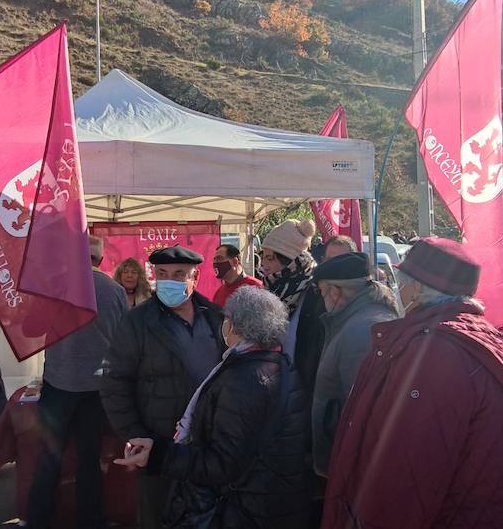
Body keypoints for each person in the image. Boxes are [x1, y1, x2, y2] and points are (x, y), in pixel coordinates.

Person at [321, 238, 503, 528]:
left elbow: (412, 472)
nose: (397, 289)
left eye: (401, 281)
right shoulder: (486, 339)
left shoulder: (433, 353)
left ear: (416, 288)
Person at [114, 287, 311, 528]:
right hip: (273, 501)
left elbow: (221, 465)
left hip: (246, 509)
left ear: (236, 325)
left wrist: (158, 455)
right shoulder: (280, 364)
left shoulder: (244, 380)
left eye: (226, 318)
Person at [101, 246, 226, 529]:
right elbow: (114, 383)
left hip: (208, 447)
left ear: (195, 277)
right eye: (163, 274)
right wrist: (136, 435)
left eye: (179, 274)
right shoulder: (137, 322)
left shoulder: (216, 318)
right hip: (159, 446)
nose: (170, 280)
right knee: (159, 517)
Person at [26, 236, 125, 529]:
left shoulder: (54, 289)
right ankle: (90, 520)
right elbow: (125, 340)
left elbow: (29, 328)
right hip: (97, 388)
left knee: (48, 457)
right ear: (100, 260)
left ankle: (38, 519)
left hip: (58, 384)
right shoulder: (115, 291)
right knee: (89, 458)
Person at [310, 252, 400, 476]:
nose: (322, 300)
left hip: (353, 468)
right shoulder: (354, 320)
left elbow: (369, 413)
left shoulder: (364, 330)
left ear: (334, 291)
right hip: (344, 460)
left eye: (322, 292)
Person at [258, 219, 327, 393]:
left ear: (290, 261)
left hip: (304, 389)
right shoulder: (271, 290)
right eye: (263, 257)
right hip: (274, 387)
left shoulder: (315, 293)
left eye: (270, 258)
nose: (263, 266)